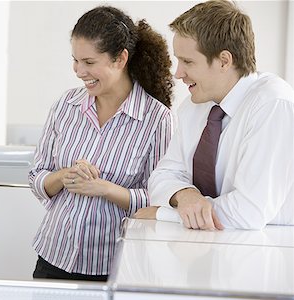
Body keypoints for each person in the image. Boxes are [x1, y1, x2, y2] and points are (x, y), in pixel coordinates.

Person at [29, 5, 174, 281]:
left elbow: (161, 201)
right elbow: (36, 176)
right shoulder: (65, 105)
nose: (79, 71)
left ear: (120, 59)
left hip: (113, 266)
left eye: (89, 62)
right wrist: (64, 175)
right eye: (75, 60)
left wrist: (105, 189)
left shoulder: (157, 119)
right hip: (52, 257)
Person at [135, 0, 294, 230]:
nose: (178, 73)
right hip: (205, 247)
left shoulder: (273, 105)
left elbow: (248, 212)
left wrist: (164, 214)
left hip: (261, 253)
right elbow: (162, 177)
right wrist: (185, 194)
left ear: (224, 61)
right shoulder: (194, 106)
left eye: (188, 62)